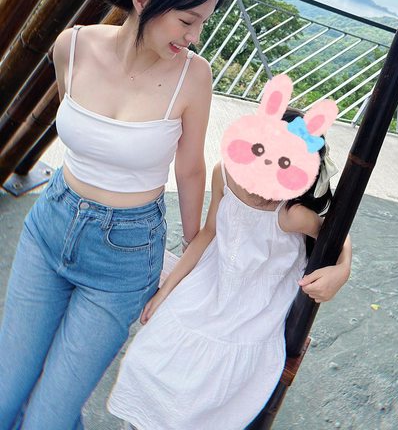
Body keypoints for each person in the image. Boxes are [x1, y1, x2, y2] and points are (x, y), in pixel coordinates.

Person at [0, 0, 225, 430]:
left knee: (48, 418)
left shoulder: (194, 77)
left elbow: (190, 170)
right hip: (50, 224)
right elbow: (81, 132)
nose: (194, 37)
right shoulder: (73, 45)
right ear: (143, 0)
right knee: (5, 393)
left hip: (124, 255)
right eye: (187, 21)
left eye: (202, 24)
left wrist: (190, 255)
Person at [107, 103, 352, 430]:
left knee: (209, 383)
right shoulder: (224, 173)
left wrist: (343, 270)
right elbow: (209, 232)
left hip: (257, 297)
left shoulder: (291, 214)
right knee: (150, 354)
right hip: (216, 277)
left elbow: (336, 235)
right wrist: (167, 290)